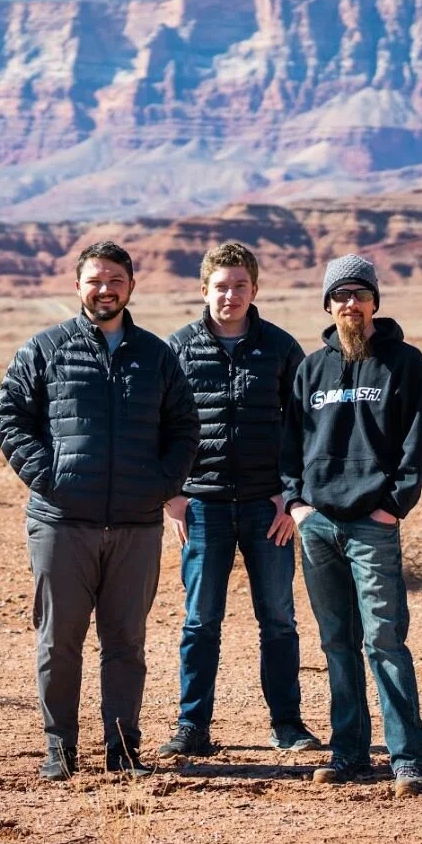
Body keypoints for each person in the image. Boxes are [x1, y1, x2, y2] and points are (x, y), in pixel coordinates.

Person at [0, 240, 199, 780]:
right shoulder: (46, 348)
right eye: (95, 280)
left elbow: (184, 427)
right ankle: (59, 747)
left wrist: (160, 484)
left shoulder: (157, 355)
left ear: (131, 286)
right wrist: (52, 479)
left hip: (134, 524)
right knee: (59, 640)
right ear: (78, 285)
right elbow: (12, 417)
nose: (105, 289)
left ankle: (123, 749)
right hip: (62, 523)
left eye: (115, 280)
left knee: (126, 643)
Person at [280, 254, 422, 798]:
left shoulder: (405, 363)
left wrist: (394, 503)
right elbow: (290, 442)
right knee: (336, 642)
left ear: (374, 301)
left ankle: (407, 758)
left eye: (359, 294)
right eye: (340, 295)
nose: (350, 303)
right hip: (319, 524)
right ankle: (348, 751)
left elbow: (417, 441)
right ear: (328, 304)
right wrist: (297, 502)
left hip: (373, 522)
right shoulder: (311, 368)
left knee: (384, 639)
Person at [156, 242, 320, 759]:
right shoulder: (177, 348)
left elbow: (305, 428)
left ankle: (288, 725)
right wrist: (172, 494)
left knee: (278, 619)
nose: (230, 295)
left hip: (266, 506)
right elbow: (157, 424)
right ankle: (193, 726)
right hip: (200, 506)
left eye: (240, 286)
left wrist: (291, 497)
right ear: (203, 290)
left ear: (255, 290)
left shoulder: (280, 347)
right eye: (221, 287)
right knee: (201, 619)